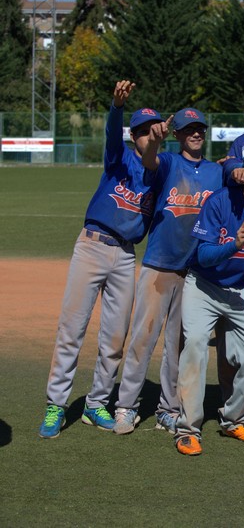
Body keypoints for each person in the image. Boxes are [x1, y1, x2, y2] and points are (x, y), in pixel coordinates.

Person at [39, 81, 161, 438]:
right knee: (71, 329)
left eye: (151, 130)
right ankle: (56, 405)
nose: (146, 135)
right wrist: (116, 107)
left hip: (125, 255)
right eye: (140, 130)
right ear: (133, 136)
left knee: (114, 337)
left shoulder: (160, 172)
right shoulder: (118, 158)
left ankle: (96, 404)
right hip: (92, 246)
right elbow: (112, 134)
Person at [113, 107, 224, 435]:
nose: (196, 133)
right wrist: (154, 143)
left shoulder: (215, 173)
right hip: (159, 267)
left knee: (178, 345)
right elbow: (149, 161)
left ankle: (168, 408)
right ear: (177, 135)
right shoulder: (169, 163)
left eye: (200, 128)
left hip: (193, 273)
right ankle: (126, 406)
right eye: (189, 129)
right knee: (142, 340)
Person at [174, 149, 244, 456]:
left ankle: (234, 418)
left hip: (241, 289)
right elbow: (202, 256)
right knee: (195, 342)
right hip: (204, 285)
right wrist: (233, 245)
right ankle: (187, 428)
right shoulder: (220, 201)